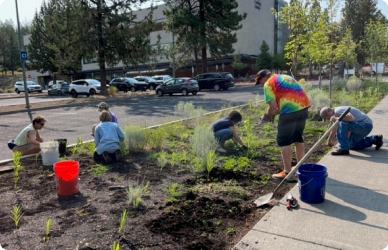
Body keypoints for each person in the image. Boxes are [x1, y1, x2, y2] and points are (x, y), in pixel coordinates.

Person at [255, 69, 311, 181]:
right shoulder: (285, 77)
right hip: (303, 108)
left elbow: (273, 107)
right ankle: (300, 167)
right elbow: (283, 102)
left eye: (260, 82)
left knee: (284, 141)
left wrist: (267, 116)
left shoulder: (268, 83)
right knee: (298, 138)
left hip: (290, 112)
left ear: (263, 78)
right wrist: (275, 112)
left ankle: (287, 172)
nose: (261, 85)